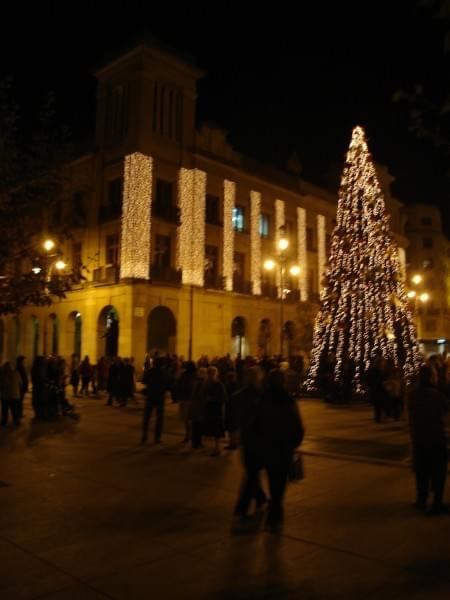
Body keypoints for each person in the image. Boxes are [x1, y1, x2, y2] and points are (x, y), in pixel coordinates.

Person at [260, 369, 304, 529]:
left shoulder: (263, 399)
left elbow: (257, 423)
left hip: (269, 446)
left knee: (272, 479)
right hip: (284, 447)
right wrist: (294, 442)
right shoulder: (288, 400)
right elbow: (297, 426)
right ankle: (276, 511)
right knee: (281, 481)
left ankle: (275, 510)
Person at [408, 364, 449, 514]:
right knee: (438, 472)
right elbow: (445, 415)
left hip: (419, 438)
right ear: (432, 377)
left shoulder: (413, 395)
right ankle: (436, 503)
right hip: (436, 439)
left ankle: (421, 499)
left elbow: (411, 417)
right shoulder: (437, 395)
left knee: (422, 471)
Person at [233, 366, 267, 519]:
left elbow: (233, 416)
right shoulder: (259, 397)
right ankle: (241, 507)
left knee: (252, 472)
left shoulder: (238, 396)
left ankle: (260, 498)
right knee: (252, 474)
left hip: (245, 439)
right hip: (257, 441)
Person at [142, 357, 167, 444]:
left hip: (150, 396)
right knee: (159, 419)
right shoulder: (163, 373)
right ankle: (157, 438)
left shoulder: (149, 371)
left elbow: (144, 381)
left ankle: (144, 437)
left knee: (147, 418)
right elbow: (167, 384)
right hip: (159, 397)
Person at [202, 366, 227, 456]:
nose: (210, 375)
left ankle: (217, 448)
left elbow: (224, 398)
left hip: (216, 409)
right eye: (209, 373)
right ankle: (214, 447)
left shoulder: (219, 384)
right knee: (212, 428)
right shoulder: (206, 383)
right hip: (209, 408)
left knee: (216, 428)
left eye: (212, 373)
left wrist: (212, 399)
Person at [173, 361, 197, 443]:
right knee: (191, 418)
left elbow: (178, 385)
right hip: (192, 399)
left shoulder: (184, 375)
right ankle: (190, 435)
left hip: (185, 399)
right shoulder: (195, 375)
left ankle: (188, 434)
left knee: (186, 419)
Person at [190, 367, 208, 449]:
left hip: (195, 406)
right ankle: (197, 443)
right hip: (199, 407)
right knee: (198, 426)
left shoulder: (196, 381)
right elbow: (200, 395)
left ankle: (195, 442)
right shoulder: (201, 382)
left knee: (195, 425)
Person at [1, 362, 22, 426]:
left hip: (6, 395)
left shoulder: (3, 375)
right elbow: (21, 383)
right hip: (15, 395)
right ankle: (16, 421)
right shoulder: (16, 373)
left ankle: (4, 422)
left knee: (5, 410)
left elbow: (2, 385)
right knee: (14, 410)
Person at [224, 370, 240, 449]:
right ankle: (235, 442)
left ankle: (232, 443)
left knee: (231, 426)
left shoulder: (228, 385)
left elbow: (225, 396)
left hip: (230, 407)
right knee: (235, 426)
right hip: (236, 407)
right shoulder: (237, 385)